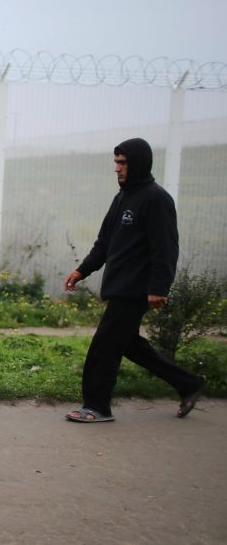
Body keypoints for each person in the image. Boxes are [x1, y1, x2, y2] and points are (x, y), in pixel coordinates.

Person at [64, 137, 205, 423]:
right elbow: (104, 243)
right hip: (119, 286)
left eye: (123, 162)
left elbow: (165, 247)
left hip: (136, 289)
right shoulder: (123, 198)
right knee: (128, 344)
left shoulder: (156, 199)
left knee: (103, 348)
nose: (117, 168)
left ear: (138, 163)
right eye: (116, 162)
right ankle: (189, 384)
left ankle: (97, 406)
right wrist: (82, 270)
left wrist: (158, 288)